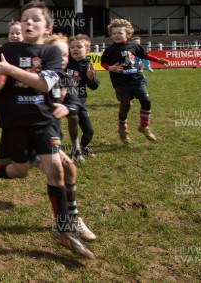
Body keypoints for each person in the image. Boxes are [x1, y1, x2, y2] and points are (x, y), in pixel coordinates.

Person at [0, 0, 94, 259]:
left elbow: (43, 85)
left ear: (48, 28)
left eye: (36, 19)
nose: (29, 23)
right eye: (25, 18)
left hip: (43, 122)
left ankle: (62, 230)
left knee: (56, 171)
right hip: (14, 123)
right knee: (20, 170)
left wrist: (9, 69)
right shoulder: (6, 48)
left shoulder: (50, 53)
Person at [44, 34, 97, 242]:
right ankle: (66, 226)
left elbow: (75, 102)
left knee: (67, 169)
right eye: (58, 54)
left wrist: (66, 107)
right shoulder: (37, 77)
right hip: (34, 135)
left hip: (51, 135)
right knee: (22, 169)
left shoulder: (66, 78)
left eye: (65, 54)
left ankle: (68, 223)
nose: (64, 57)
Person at [101, 19, 169, 143]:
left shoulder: (134, 46)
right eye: (114, 33)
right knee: (125, 106)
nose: (116, 35)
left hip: (137, 80)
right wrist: (110, 68)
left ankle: (144, 126)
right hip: (121, 83)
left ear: (127, 34)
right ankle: (123, 130)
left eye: (119, 33)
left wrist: (157, 60)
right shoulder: (110, 50)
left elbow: (144, 55)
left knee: (146, 101)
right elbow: (103, 63)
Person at [66, 34, 100, 162]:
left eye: (79, 47)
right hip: (62, 102)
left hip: (79, 102)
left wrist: (91, 78)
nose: (75, 49)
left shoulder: (88, 65)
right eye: (72, 47)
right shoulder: (65, 62)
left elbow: (94, 86)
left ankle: (82, 147)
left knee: (89, 132)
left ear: (87, 49)